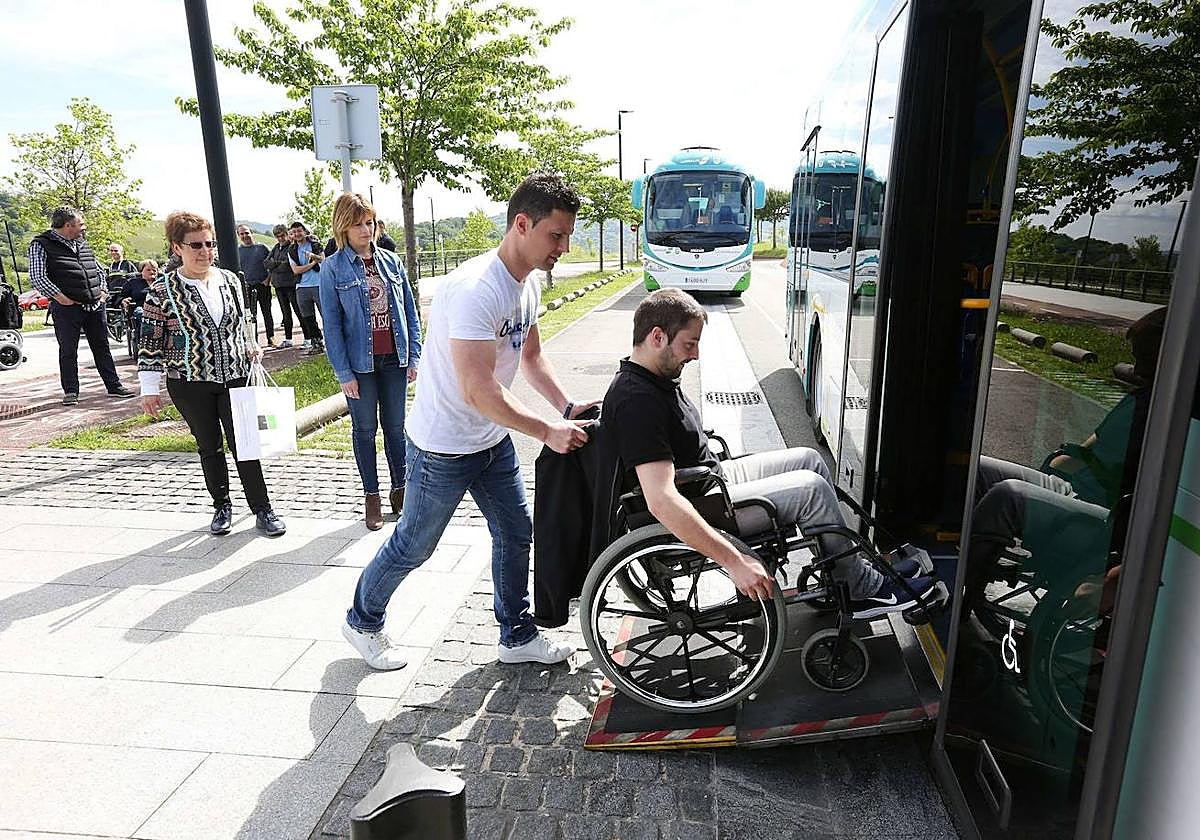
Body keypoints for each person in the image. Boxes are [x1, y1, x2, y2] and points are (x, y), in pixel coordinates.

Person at [342, 172, 592, 670]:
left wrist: (565, 407)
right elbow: (478, 389)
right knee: (414, 545)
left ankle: (516, 636)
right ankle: (362, 620)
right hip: (443, 446)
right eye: (556, 235)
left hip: (490, 439)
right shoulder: (475, 289)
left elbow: (531, 357)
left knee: (516, 531)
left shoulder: (528, 286)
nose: (563, 247)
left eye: (567, 236)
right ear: (522, 224)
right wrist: (546, 432)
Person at [602, 288, 941, 614]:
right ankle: (861, 587)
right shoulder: (637, 401)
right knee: (811, 491)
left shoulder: (649, 379)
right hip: (704, 501)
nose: (695, 354)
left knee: (810, 458)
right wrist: (734, 561)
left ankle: (845, 567)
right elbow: (661, 500)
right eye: (689, 344)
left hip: (709, 480)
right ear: (657, 337)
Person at [963, 307, 1167, 610]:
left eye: (1144, 359)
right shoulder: (1144, 398)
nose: (1136, 369)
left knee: (1009, 495)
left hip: (1105, 512)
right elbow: (1091, 445)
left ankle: (968, 598)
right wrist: (1066, 457)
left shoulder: (1173, 419)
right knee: (977, 468)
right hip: (1078, 487)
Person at [137, 211, 286, 538]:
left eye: (210, 244)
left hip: (236, 376)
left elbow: (245, 321)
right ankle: (222, 505)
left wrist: (252, 345)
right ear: (178, 247)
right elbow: (149, 341)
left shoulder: (230, 280)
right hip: (190, 382)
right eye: (196, 246)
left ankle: (263, 508)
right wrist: (149, 388)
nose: (205, 251)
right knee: (209, 446)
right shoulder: (162, 289)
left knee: (246, 444)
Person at [321, 193, 422, 530]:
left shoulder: (392, 262)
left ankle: (401, 491)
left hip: (395, 359)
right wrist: (343, 372)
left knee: (396, 428)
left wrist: (414, 356)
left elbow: (410, 311)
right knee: (365, 430)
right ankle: (372, 497)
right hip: (359, 366)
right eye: (358, 224)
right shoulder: (332, 269)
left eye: (369, 223)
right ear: (343, 227)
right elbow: (332, 326)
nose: (366, 230)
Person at [27, 207, 136, 405]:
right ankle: (71, 391)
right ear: (68, 225)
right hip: (67, 308)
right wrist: (61, 298)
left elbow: (99, 271)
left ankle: (114, 386)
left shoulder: (82, 243)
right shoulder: (41, 244)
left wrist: (103, 293)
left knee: (102, 347)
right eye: (81, 224)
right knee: (68, 350)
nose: (83, 228)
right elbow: (37, 276)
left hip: (95, 305)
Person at [287, 221, 325, 355]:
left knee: (326, 315)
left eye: (299, 230)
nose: (297, 234)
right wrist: (313, 263)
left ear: (305, 231)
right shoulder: (291, 251)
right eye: (294, 232)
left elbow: (323, 260)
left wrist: (314, 257)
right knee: (308, 318)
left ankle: (333, 343)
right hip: (301, 287)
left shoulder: (315, 245)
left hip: (319, 284)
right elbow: (296, 270)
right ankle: (317, 343)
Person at [236, 224, 276, 348]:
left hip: (262, 285)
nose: (245, 236)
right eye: (242, 234)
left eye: (246, 233)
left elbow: (272, 265)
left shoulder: (262, 248)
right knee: (251, 316)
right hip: (247, 287)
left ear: (251, 232)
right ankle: (254, 341)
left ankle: (271, 338)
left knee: (267, 313)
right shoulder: (237, 251)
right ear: (238, 236)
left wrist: (267, 280)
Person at [263, 224, 300, 347]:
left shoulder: (292, 247)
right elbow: (266, 262)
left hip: (291, 284)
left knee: (299, 311)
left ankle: (308, 337)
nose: (281, 239)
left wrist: (275, 265)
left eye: (282, 235)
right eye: (278, 236)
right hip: (278, 285)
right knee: (285, 313)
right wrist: (277, 264)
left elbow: (288, 265)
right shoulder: (275, 248)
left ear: (287, 234)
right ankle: (288, 339)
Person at [121, 259, 157, 342]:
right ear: (141, 271)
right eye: (148, 270)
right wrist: (124, 300)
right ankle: (143, 340)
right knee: (141, 313)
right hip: (140, 307)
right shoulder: (133, 283)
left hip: (159, 308)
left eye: (154, 270)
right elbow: (121, 296)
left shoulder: (161, 282)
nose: (152, 272)